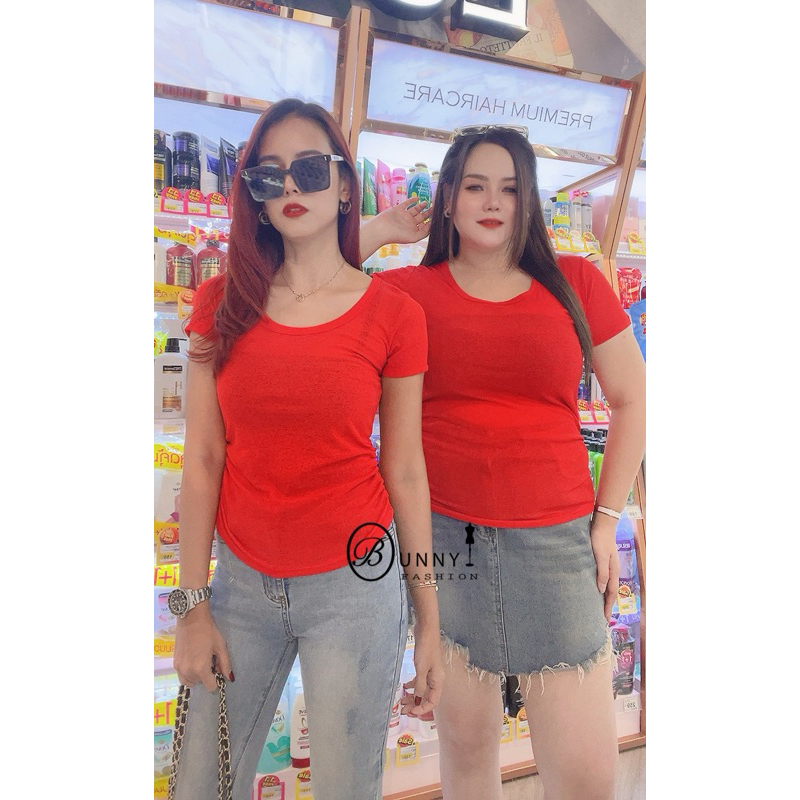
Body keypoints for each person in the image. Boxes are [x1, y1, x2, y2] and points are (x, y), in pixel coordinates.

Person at [360, 124, 646, 800]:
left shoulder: (577, 281)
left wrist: (607, 519)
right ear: (448, 199)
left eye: (511, 189)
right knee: (464, 754)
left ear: (530, 200)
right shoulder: (405, 291)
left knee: (585, 777)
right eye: (475, 186)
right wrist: (382, 228)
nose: (493, 202)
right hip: (443, 544)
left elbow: (634, 399)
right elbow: (308, 270)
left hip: (557, 544)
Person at [169, 98, 444, 800]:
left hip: (357, 586)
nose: (290, 185)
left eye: (311, 169)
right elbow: (202, 460)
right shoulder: (219, 303)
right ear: (255, 200)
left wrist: (429, 618)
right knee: (201, 784)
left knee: (347, 787)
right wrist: (191, 607)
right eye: (269, 175)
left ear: (346, 185)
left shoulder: (395, 314)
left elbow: (405, 470)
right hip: (239, 586)